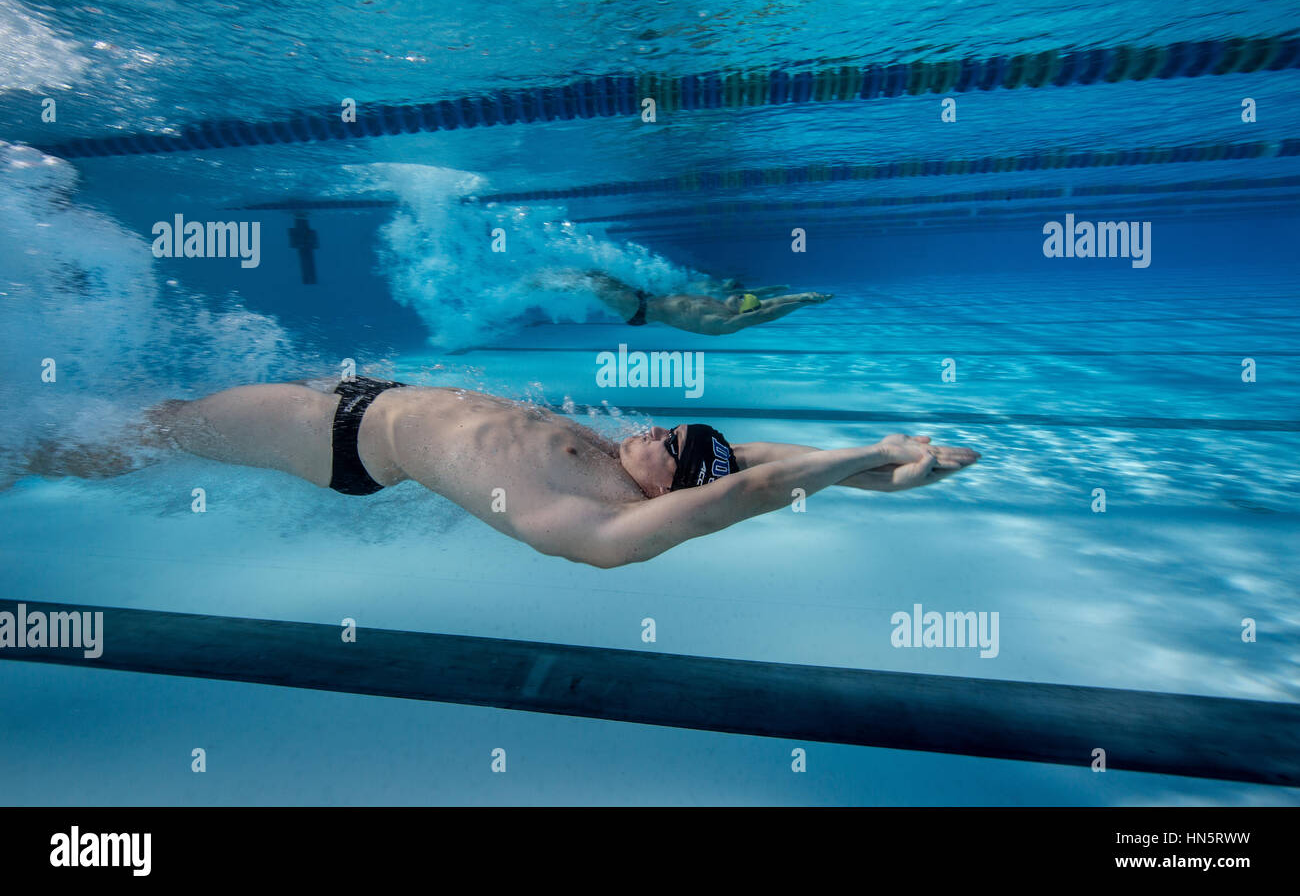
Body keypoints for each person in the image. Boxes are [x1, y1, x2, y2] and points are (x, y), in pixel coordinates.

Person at [16, 377, 979, 568]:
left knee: (169, 429)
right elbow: (766, 465)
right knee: (161, 416)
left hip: (337, 440)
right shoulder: (641, 465)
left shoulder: (604, 525)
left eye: (667, 442)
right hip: (366, 396)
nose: (651, 428)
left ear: (669, 489)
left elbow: (747, 490)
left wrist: (877, 453)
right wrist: (894, 474)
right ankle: (40, 438)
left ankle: (23, 452)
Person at [561, 270, 834, 335]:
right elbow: (765, 303)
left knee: (592, 282)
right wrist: (800, 295)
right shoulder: (724, 304)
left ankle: (544, 283)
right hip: (646, 298)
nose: (739, 294)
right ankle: (550, 280)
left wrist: (802, 304)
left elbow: (763, 315)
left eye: (741, 298)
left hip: (639, 310)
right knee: (595, 274)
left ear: (740, 310)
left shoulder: (722, 322)